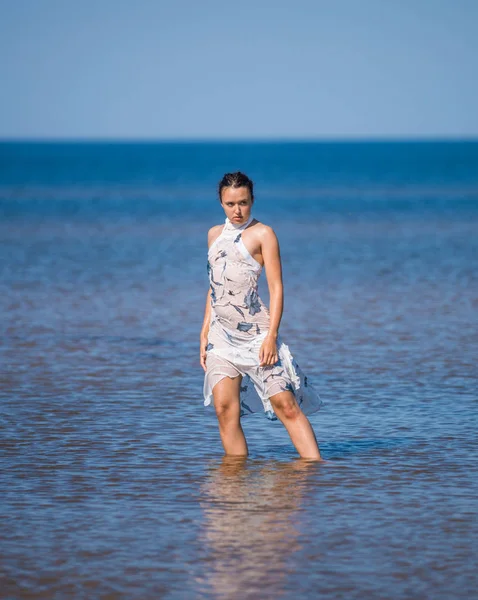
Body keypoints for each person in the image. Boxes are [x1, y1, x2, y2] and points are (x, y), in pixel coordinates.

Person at [200, 172, 323, 460]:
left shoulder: (264, 234)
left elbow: (277, 288)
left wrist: (271, 337)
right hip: (221, 337)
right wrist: (204, 331)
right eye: (230, 204)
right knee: (224, 410)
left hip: (257, 336)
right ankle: (235, 480)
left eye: (243, 202)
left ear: (252, 200)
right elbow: (214, 287)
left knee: (285, 405)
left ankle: (316, 471)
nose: (237, 210)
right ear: (221, 202)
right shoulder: (213, 235)